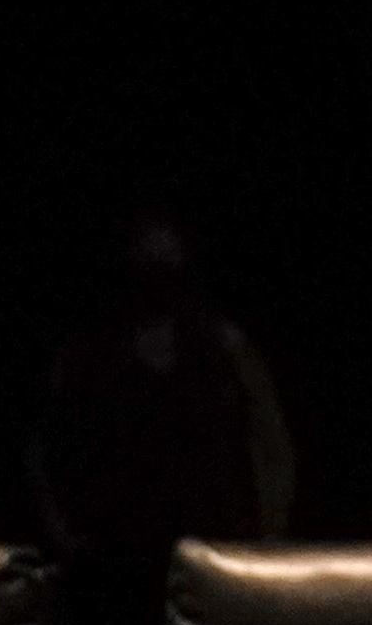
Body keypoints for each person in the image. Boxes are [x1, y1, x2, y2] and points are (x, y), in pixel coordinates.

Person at [29, 205, 296, 556]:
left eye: (166, 270)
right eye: (145, 270)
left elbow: (269, 442)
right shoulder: (87, 357)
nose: (156, 287)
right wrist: (62, 531)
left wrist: (268, 530)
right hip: (113, 552)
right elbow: (47, 446)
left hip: (215, 545)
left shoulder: (225, 350)